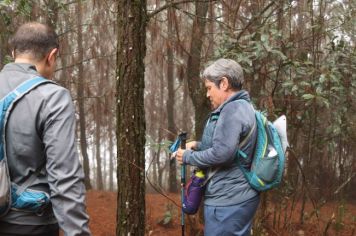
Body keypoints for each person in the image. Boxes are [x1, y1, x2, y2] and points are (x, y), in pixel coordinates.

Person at [0, 22, 91, 236]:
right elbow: (64, 179)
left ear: (13, 52)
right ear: (52, 55)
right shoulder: (53, 97)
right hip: (30, 224)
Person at [176, 58, 260, 236]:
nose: (207, 94)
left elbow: (222, 153)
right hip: (237, 199)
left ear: (224, 83)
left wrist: (187, 157)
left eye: (209, 88)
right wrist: (197, 145)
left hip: (228, 202)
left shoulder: (231, 110)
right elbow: (230, 146)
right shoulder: (243, 107)